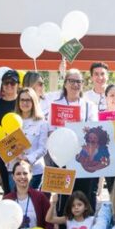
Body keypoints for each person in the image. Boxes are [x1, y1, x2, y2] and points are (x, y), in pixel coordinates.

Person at [49, 68, 100, 211]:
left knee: (85, 196)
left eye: (79, 81)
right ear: (65, 83)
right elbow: (51, 132)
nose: (75, 85)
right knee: (64, 198)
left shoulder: (90, 106)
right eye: (72, 81)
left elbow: (94, 130)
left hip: (84, 158)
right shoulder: (56, 104)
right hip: (62, 159)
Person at [0, 68, 22, 197]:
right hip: (3, 150)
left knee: (20, 185)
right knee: (8, 187)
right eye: (6, 83)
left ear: (18, 85)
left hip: (21, 148)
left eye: (12, 83)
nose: (9, 86)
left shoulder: (22, 102)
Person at [2, 159, 53, 229]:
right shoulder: (7, 199)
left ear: (31, 175)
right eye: (18, 174)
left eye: (25, 173)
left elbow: (49, 223)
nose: (22, 177)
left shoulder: (40, 197)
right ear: (13, 177)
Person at [14, 88, 49, 189]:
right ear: (18, 102)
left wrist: (27, 159)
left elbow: (43, 149)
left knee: (32, 202)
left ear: (33, 102)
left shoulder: (42, 123)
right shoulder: (12, 120)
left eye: (28, 100)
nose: (25, 103)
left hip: (34, 171)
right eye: (22, 100)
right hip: (14, 169)